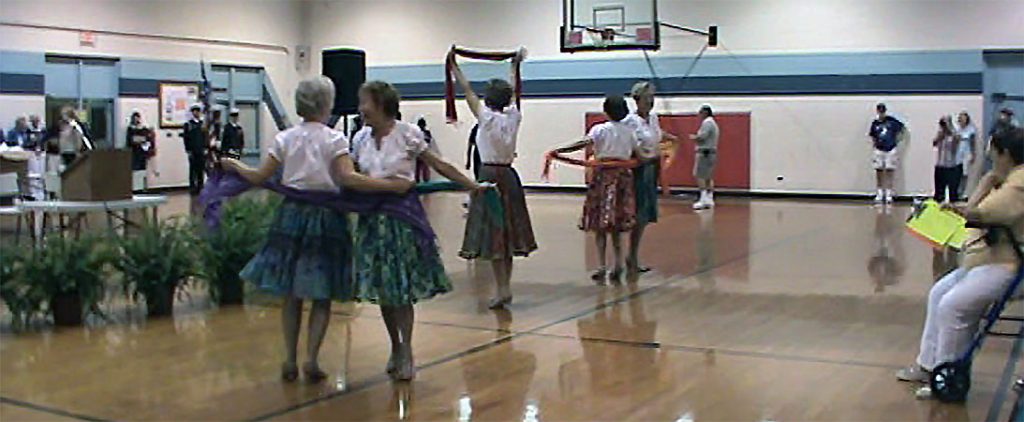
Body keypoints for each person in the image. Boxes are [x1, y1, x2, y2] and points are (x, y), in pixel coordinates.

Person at [220, 76, 416, 383]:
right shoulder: (335, 140)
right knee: (320, 293)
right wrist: (396, 186)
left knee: (291, 293)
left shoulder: (284, 138)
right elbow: (348, 179)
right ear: (327, 104)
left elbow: (258, 177)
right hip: (325, 218)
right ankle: (311, 357)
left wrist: (234, 165)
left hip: (290, 217)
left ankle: (289, 358)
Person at [349, 80, 486, 380]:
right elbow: (351, 174)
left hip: (401, 220)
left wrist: (472, 185)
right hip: (373, 220)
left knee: (401, 290)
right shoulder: (359, 138)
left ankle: (407, 348)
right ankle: (395, 346)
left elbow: (439, 164)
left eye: (365, 102)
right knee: (384, 290)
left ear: (382, 104)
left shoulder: (408, 134)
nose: (361, 109)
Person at [896, 128, 1024, 400]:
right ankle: (928, 365)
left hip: (1010, 267)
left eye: (993, 155)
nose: (991, 161)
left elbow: (982, 213)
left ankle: (949, 375)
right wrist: (986, 183)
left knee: (954, 305)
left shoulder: (1019, 184)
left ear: (1007, 155)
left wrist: (969, 200)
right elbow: (975, 209)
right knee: (939, 293)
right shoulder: (1008, 180)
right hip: (990, 261)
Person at [449, 47, 538, 309]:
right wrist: (514, 66)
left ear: (488, 100)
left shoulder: (485, 116)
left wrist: (454, 67)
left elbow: (465, 90)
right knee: (506, 235)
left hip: (488, 175)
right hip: (509, 176)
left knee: (497, 235)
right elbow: (513, 90)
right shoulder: (514, 116)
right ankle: (504, 288)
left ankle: (502, 289)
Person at [553, 95, 640, 284]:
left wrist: (559, 150)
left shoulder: (599, 129)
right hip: (623, 178)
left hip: (603, 178)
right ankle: (618, 263)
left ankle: (602, 265)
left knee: (600, 224)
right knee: (616, 223)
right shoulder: (630, 132)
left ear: (606, 111)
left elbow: (582, 143)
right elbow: (639, 154)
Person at [623, 81, 674, 274]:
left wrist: (671, 140)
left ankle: (633, 257)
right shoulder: (630, 120)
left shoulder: (653, 118)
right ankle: (624, 258)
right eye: (647, 98)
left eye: (652, 97)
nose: (650, 101)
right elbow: (630, 145)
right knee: (633, 214)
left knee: (644, 216)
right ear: (637, 100)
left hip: (650, 169)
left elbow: (657, 137)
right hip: (635, 170)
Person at [868, 103, 906, 204]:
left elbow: (902, 129)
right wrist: (875, 144)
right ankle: (880, 192)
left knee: (890, 170)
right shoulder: (875, 123)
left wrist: (897, 141)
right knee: (879, 170)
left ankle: (889, 192)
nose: (881, 113)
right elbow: (872, 135)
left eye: (883, 111)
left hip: (890, 148)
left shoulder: (892, 121)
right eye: (879, 111)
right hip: (879, 149)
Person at [690, 104, 719, 210]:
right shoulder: (714, 123)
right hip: (712, 152)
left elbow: (702, 136)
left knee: (700, 175)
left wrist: (694, 137)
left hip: (704, 152)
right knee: (708, 176)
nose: (699, 115)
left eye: (700, 113)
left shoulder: (707, 123)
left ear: (705, 113)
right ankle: (709, 198)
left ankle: (703, 199)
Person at [932, 115, 963, 203]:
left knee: (953, 193)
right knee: (938, 193)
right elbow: (934, 143)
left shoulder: (955, 132)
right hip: (940, 165)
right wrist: (940, 135)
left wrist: (950, 131)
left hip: (952, 166)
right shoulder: (940, 133)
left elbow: (956, 144)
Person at [181, 104, 207, 195]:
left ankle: (200, 187)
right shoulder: (188, 125)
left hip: (201, 150)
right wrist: (188, 150)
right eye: (195, 111)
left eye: (198, 111)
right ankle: (192, 188)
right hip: (192, 151)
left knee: (201, 170)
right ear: (192, 113)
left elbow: (205, 137)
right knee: (192, 170)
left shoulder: (202, 124)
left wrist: (205, 148)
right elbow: (186, 138)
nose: (197, 113)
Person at [957, 111, 980, 198]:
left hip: (966, 153)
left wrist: (973, 154)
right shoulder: (957, 129)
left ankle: (962, 192)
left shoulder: (971, 129)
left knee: (964, 173)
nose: (961, 120)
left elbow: (972, 143)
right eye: (960, 118)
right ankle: (956, 192)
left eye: (963, 118)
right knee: (957, 173)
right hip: (958, 153)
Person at [415, 117, 433, 182]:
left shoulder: (427, 132)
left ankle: (426, 182)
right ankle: (417, 182)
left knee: (425, 170)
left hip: (424, 152)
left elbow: (429, 140)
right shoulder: (416, 132)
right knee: (417, 170)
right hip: (417, 153)